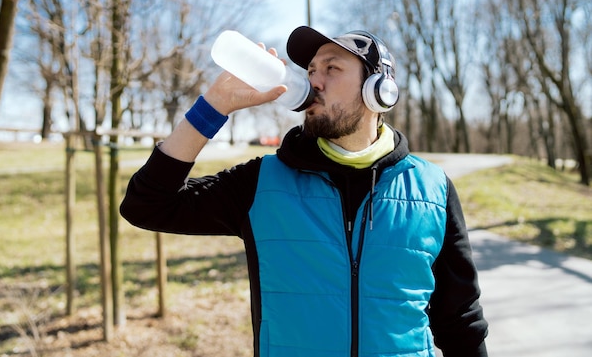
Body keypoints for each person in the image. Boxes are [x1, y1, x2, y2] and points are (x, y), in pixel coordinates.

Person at [120, 26, 489, 357]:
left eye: (332, 68)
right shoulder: (262, 183)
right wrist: (214, 106)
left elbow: (460, 323)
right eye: (311, 70)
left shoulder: (432, 189)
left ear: (379, 90)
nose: (314, 81)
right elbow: (147, 204)